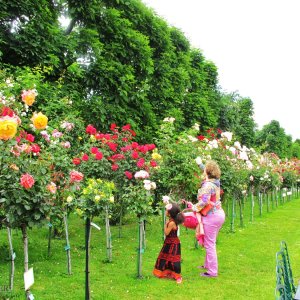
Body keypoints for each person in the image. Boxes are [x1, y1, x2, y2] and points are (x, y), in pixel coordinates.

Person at [194, 158, 225, 278]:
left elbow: (204, 202)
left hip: (211, 216)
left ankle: (212, 272)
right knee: (210, 242)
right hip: (219, 214)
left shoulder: (207, 185)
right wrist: (200, 164)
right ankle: (207, 265)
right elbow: (207, 170)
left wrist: (193, 208)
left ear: (207, 172)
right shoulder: (216, 181)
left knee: (209, 244)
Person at [153, 203, 185, 284]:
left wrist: (164, 225)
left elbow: (166, 233)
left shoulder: (171, 223)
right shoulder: (172, 221)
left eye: (167, 210)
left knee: (174, 259)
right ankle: (167, 272)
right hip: (169, 242)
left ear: (170, 213)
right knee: (165, 257)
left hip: (173, 243)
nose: (166, 211)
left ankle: (178, 276)